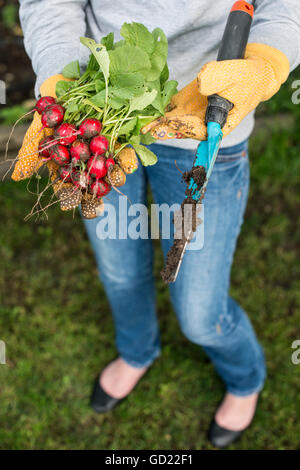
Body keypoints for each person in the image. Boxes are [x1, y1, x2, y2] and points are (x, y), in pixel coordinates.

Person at [16, 0, 300, 448]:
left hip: (207, 116)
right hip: (103, 123)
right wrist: (61, 87)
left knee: (201, 314)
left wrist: (265, 61)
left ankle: (246, 378)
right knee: (119, 269)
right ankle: (136, 350)